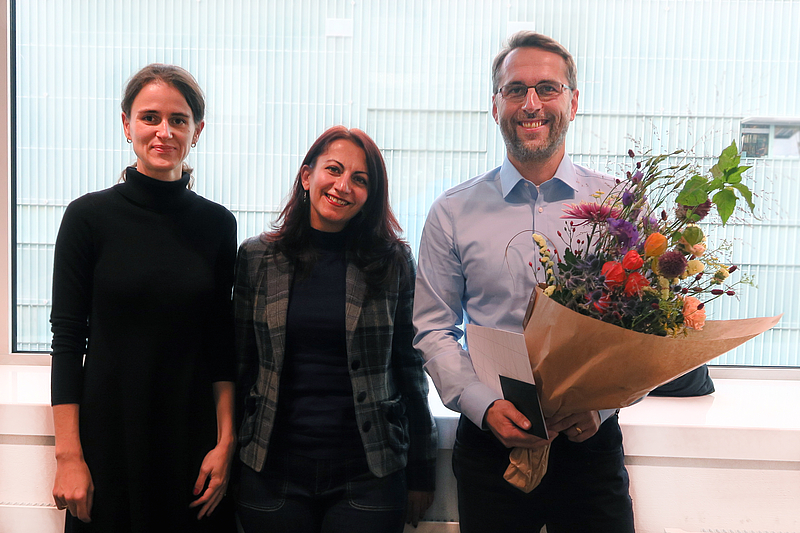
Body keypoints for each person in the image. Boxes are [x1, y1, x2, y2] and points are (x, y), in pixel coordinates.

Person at [413, 32, 635, 532]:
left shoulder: (617, 208)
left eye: (547, 88)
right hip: (490, 446)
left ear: (573, 102)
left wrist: (601, 407)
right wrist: (484, 406)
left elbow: (648, 329)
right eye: (515, 90)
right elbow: (432, 328)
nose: (531, 104)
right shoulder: (452, 212)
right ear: (495, 106)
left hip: (589, 444)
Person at [50, 64, 238, 532]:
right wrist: (69, 457)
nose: (163, 131)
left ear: (197, 132)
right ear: (127, 124)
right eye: (150, 117)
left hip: (192, 443)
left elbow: (221, 344)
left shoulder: (218, 225)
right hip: (109, 441)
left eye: (178, 120)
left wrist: (225, 444)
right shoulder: (87, 218)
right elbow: (68, 342)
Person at [233, 126, 437, 533]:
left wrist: (422, 470)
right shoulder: (257, 258)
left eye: (360, 179)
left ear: (369, 196)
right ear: (307, 176)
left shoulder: (393, 263)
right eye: (334, 170)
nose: (343, 186)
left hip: (369, 473)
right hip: (270, 470)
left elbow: (410, 369)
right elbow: (240, 364)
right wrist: (225, 456)